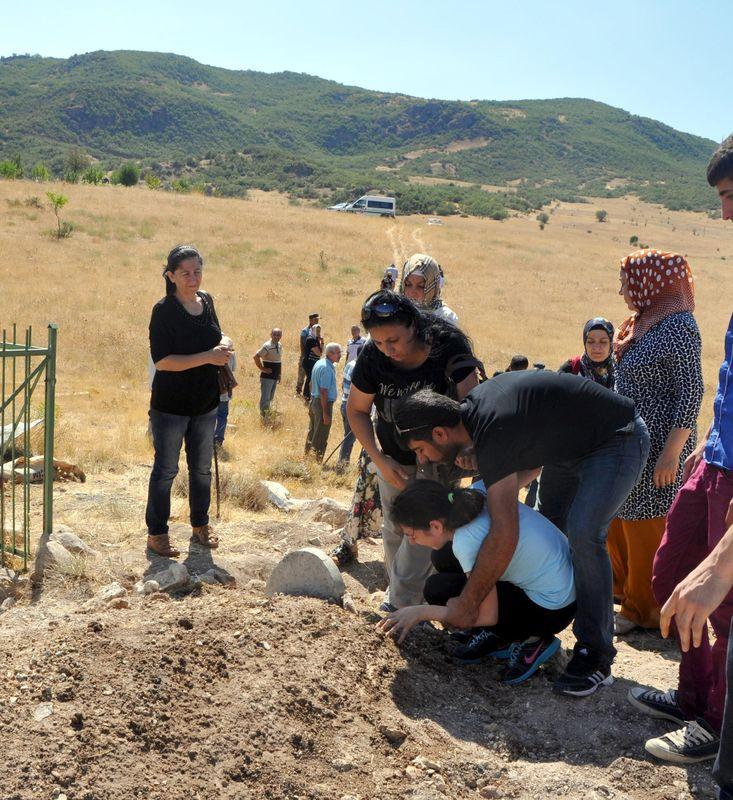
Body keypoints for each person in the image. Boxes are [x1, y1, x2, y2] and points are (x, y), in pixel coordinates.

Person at [393, 372, 649, 696]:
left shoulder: (491, 429)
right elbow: (529, 461)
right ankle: (508, 629)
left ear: (440, 433)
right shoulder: (478, 418)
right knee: (460, 549)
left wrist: (467, 606)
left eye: (420, 449)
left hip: (617, 439)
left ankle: (594, 656)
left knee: (585, 535)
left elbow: (504, 533)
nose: (422, 459)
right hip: (567, 451)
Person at [627, 135, 733, 778]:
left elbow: (689, 386)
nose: (725, 215)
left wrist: (676, 445)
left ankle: (716, 725)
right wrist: (703, 456)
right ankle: (691, 698)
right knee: (670, 581)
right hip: (716, 460)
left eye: (731, 197)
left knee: (718, 601)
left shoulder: (677, 323)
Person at [346, 290, 479, 611]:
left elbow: (474, 401)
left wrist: (469, 445)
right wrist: (381, 459)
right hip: (394, 456)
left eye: (394, 340)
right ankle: (407, 600)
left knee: (423, 526)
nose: (387, 350)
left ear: (414, 327)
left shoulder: (447, 344)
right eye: (378, 342)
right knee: (395, 526)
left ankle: (400, 605)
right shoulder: (373, 358)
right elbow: (357, 410)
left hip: (439, 456)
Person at [378, 479, 576, 685]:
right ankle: (499, 636)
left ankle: (532, 640)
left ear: (435, 526)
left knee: (439, 589)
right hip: (564, 585)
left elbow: (487, 615)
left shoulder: (466, 542)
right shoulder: (476, 493)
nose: (411, 541)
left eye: (411, 535)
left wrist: (420, 612)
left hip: (551, 610)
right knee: (443, 557)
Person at [608, 251, 703, 635]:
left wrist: (672, 453)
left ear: (652, 282)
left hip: (660, 444)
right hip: (631, 440)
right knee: (622, 515)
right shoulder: (644, 322)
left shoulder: (679, 325)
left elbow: (692, 392)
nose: (621, 290)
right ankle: (626, 593)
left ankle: (644, 610)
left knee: (646, 521)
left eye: (627, 281)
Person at [145, 244, 233, 557]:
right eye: (185, 273)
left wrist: (223, 345)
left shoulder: (206, 300)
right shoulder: (163, 310)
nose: (193, 278)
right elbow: (163, 361)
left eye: (197, 271)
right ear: (171, 275)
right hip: (170, 406)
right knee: (166, 470)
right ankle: (157, 533)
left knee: (201, 470)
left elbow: (216, 335)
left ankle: (200, 526)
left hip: (206, 403)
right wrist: (208, 356)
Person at [305, 342, 341, 461]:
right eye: (338, 353)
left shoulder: (319, 363)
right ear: (330, 353)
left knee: (312, 432)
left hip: (315, 401)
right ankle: (315, 462)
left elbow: (311, 383)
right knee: (320, 435)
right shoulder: (326, 368)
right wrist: (326, 413)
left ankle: (307, 457)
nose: (340, 355)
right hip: (322, 404)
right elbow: (324, 391)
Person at [399, 253, 459, 326]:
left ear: (433, 288)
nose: (412, 293)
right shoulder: (395, 312)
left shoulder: (445, 318)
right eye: (408, 284)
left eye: (421, 286)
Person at [558, 317, 615, 390]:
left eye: (603, 342)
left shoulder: (621, 369)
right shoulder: (572, 368)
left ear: (611, 343)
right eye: (591, 342)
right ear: (585, 343)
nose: (597, 348)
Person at [253, 328, 283, 419]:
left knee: (270, 397)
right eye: (274, 334)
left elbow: (278, 361)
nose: (276, 337)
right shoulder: (267, 346)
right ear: (271, 335)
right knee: (265, 397)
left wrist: (279, 374)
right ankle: (263, 417)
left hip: (275, 375)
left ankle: (267, 414)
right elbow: (256, 357)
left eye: (278, 335)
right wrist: (262, 368)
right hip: (267, 376)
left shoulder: (279, 345)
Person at [337, 357, 357, 469]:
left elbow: (343, 383)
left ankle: (342, 462)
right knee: (349, 438)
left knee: (348, 436)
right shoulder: (358, 368)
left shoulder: (350, 364)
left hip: (344, 402)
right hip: (352, 406)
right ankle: (342, 464)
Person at [214, 351, 237, 448]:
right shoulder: (231, 351)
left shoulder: (209, 348)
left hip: (211, 391)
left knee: (208, 417)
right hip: (225, 390)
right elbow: (233, 368)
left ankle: (208, 439)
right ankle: (218, 440)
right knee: (222, 416)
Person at [296, 312, 319, 396]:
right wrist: (304, 355)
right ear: (311, 320)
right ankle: (298, 390)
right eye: (316, 320)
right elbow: (304, 344)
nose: (317, 321)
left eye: (318, 320)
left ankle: (308, 392)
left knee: (310, 375)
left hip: (314, 356)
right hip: (306, 355)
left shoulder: (316, 330)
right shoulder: (305, 331)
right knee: (302, 373)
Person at [302, 323, 323, 401]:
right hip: (309, 362)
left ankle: (308, 395)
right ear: (313, 330)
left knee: (311, 378)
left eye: (319, 331)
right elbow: (319, 353)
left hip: (314, 362)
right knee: (310, 378)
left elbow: (321, 351)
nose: (318, 333)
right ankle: (306, 396)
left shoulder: (316, 339)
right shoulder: (310, 339)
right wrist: (320, 348)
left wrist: (322, 342)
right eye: (317, 331)